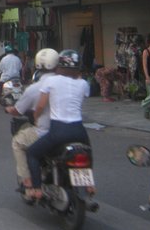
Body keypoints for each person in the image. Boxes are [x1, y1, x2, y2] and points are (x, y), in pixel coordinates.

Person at [25, 50, 92, 200]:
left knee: (32, 153)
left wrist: (35, 117)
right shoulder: (83, 84)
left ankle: (36, 189)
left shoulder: (51, 81)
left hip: (59, 131)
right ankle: (88, 184)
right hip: (79, 131)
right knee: (86, 152)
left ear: (59, 66)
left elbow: (41, 106)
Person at [5, 48, 59, 190]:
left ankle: (27, 181)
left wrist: (10, 109)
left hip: (45, 132)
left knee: (17, 142)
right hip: (70, 131)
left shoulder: (34, 88)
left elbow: (18, 110)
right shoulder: (67, 84)